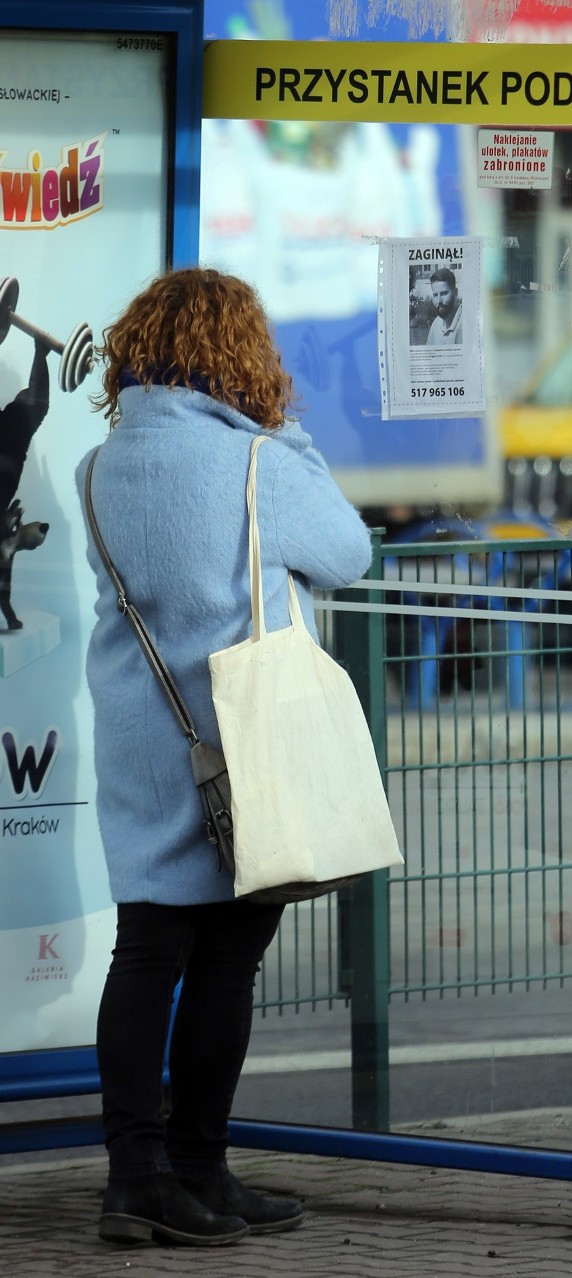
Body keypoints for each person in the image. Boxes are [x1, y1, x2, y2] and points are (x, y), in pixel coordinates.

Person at [78, 267, 373, 1248]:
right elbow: (348, 551)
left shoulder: (101, 466)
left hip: (142, 732)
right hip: (242, 738)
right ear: (238, 355)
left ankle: (137, 1179)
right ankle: (199, 1163)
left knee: (147, 950)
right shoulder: (256, 464)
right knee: (229, 960)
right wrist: (280, 431)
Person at [426, 267, 463, 345]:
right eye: (435, 295)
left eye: (444, 293)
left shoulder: (464, 324)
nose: (439, 301)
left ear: (455, 293)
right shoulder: (436, 323)